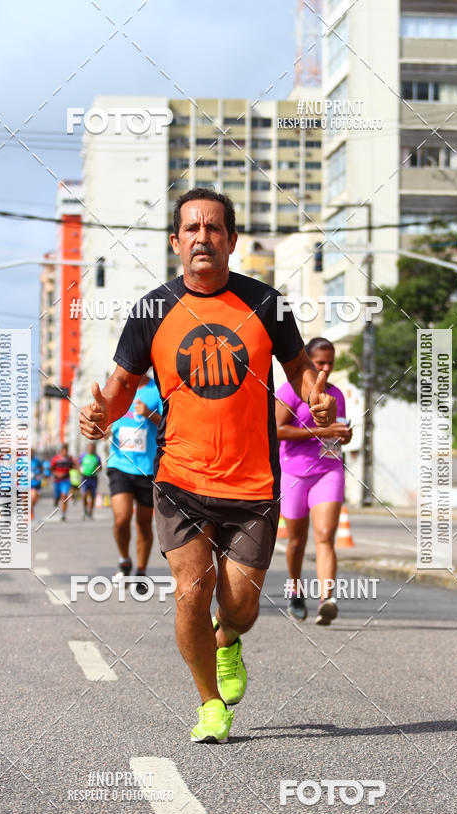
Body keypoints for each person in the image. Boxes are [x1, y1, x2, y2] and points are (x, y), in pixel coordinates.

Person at [79, 187, 335, 743]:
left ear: (232, 240)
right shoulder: (152, 309)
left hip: (253, 482)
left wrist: (314, 396)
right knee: (191, 590)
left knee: (239, 607)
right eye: (191, 229)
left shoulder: (268, 304)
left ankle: (228, 641)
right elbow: (121, 387)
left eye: (213, 228)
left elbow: (298, 370)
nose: (202, 237)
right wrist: (102, 413)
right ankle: (209, 705)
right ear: (176, 242)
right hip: (181, 479)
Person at [276, 337, 352, 625]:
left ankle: (327, 599)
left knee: (325, 534)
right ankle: (295, 589)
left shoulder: (336, 394)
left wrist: (345, 434)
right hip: (294, 473)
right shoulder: (290, 392)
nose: (327, 368)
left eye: (330, 362)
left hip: (328, 469)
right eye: (320, 362)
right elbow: (276, 429)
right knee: (296, 541)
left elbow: (338, 429)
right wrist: (315, 432)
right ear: (308, 361)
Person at [106, 373, 162, 589]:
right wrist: (104, 427)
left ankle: (141, 571)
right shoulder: (115, 387)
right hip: (120, 464)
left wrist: (149, 414)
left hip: (147, 468)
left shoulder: (156, 389)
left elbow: (169, 422)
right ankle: (124, 559)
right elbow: (105, 417)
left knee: (144, 524)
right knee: (122, 518)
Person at [50, 443, 74, 522]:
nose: (65, 452)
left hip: (66, 480)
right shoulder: (55, 459)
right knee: (57, 496)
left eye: (66, 450)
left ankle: (63, 514)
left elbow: (73, 468)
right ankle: (56, 500)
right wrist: (56, 474)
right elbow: (51, 469)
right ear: (61, 451)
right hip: (57, 481)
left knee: (64, 497)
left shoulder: (69, 459)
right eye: (64, 450)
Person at [79, 443, 102, 519]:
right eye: (89, 447)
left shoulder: (97, 457)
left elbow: (100, 467)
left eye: (92, 447)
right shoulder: (83, 456)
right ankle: (84, 511)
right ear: (87, 448)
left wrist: (98, 469)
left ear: (94, 448)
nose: (90, 449)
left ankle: (90, 512)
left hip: (93, 478)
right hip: (84, 477)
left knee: (92, 495)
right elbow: (78, 464)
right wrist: (79, 470)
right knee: (84, 495)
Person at [31, 451, 43, 520]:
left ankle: (31, 509)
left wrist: (39, 475)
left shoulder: (36, 461)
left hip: (35, 483)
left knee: (33, 497)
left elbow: (41, 468)